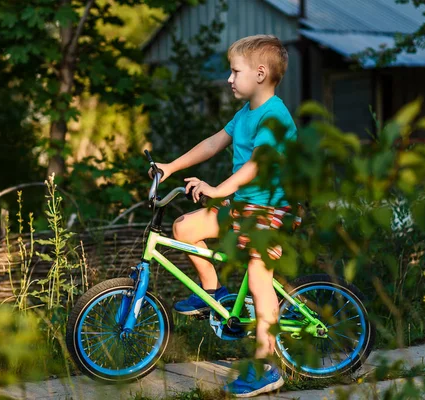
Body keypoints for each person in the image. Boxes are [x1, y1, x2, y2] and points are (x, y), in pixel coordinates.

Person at [149, 35, 298, 397]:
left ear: (260, 73)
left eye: (235, 72)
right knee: (184, 227)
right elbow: (213, 143)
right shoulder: (244, 114)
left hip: (268, 211)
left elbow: (256, 164)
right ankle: (213, 293)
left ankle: (267, 367)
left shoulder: (274, 115)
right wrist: (170, 166)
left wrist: (219, 190)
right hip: (241, 206)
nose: (229, 79)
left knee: (260, 280)